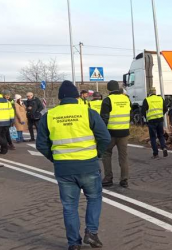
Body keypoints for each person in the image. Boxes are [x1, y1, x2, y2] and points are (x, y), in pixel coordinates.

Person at [36, 81, 110, 250]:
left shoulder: (49, 115)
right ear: (77, 97)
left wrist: (55, 158)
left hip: (64, 169)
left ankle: (73, 243)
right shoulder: (88, 112)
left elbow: (41, 144)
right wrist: (96, 154)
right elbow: (104, 138)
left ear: (60, 98)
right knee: (94, 198)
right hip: (88, 165)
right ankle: (91, 232)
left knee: (69, 207)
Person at [100, 81, 131, 188]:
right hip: (124, 132)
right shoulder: (126, 99)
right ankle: (124, 180)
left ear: (109, 89)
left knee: (106, 154)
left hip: (111, 133)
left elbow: (103, 119)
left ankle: (108, 178)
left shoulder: (107, 100)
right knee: (123, 156)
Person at [141, 87, 168, 158]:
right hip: (160, 120)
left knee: (153, 137)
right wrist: (161, 114)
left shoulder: (147, 100)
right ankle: (164, 147)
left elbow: (142, 111)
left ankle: (155, 154)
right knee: (161, 135)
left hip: (152, 121)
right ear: (155, 92)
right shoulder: (160, 99)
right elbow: (165, 109)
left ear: (149, 93)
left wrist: (146, 118)